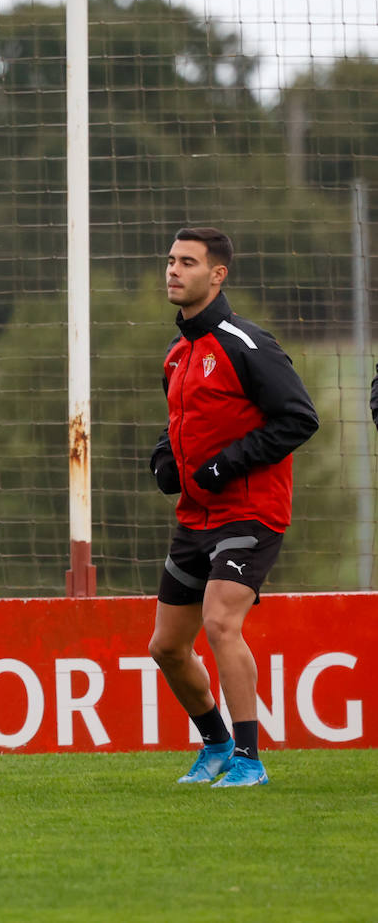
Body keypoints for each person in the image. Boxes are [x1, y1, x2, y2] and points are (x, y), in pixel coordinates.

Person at [148, 226, 317, 788]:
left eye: (188, 262)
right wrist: (164, 458)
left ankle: (250, 760)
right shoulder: (177, 353)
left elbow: (299, 418)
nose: (174, 270)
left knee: (221, 622)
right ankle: (217, 746)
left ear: (217, 275)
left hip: (250, 511)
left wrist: (225, 466)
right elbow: (183, 425)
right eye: (171, 260)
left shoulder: (246, 342)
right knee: (167, 647)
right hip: (195, 517)